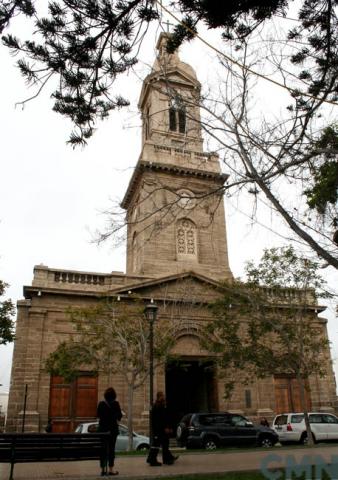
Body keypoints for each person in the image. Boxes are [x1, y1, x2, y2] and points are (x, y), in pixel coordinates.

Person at [147, 391, 178, 466]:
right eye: (162, 396)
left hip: (161, 429)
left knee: (164, 444)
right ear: (159, 397)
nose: (164, 397)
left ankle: (167, 459)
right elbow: (160, 419)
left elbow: (164, 418)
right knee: (156, 445)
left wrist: (168, 427)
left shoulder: (160, 405)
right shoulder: (157, 406)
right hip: (159, 430)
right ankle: (153, 460)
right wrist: (165, 428)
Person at [97, 387, 122, 476]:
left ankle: (103, 469)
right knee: (111, 449)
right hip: (112, 431)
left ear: (105, 395)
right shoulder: (116, 404)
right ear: (114, 396)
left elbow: (98, 415)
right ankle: (111, 469)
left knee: (103, 450)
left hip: (103, 431)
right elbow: (119, 416)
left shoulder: (101, 404)